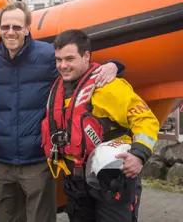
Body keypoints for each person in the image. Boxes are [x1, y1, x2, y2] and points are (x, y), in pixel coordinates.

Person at [0, 1, 123, 222]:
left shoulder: (47, 55)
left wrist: (114, 65)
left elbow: (77, 68)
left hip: (37, 159)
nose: (10, 32)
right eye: (5, 27)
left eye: (16, 26)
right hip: (1, 160)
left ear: (27, 28)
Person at [41, 29, 159, 222]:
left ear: (86, 56)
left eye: (69, 59)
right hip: (76, 183)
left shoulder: (109, 86)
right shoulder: (59, 90)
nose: (63, 65)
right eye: (58, 60)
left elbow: (145, 119)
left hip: (111, 180)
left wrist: (138, 155)